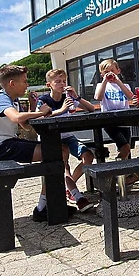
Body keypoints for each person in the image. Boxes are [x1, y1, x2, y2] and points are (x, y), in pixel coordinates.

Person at [0, 64, 76, 223]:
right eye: (24, 81)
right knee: (58, 153)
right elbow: (16, 118)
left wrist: (31, 105)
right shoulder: (1, 98)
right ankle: (45, 207)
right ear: (12, 84)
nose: (27, 85)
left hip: (5, 143)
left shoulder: (13, 99)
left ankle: (44, 206)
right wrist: (41, 112)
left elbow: (26, 125)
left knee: (61, 150)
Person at [35, 69, 95, 212]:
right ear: (49, 85)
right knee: (63, 163)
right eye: (58, 81)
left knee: (88, 156)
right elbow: (40, 116)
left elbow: (91, 108)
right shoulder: (43, 100)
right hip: (51, 139)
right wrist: (62, 110)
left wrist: (77, 97)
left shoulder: (68, 97)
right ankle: (77, 196)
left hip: (68, 137)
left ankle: (70, 187)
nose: (62, 84)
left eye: (64, 81)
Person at [94, 59, 139, 185]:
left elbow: (131, 96)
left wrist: (118, 81)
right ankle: (117, 174)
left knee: (126, 149)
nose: (110, 74)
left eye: (112, 71)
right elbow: (98, 97)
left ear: (118, 71)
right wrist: (105, 81)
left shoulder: (123, 85)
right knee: (125, 148)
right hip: (110, 122)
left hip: (125, 121)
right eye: (106, 72)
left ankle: (125, 176)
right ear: (102, 74)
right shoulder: (101, 86)